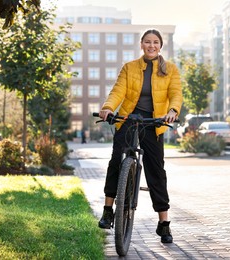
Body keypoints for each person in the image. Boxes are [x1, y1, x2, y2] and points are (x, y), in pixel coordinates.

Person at [98, 28, 183, 244]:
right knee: (117, 160)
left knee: (156, 169)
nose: (151, 45)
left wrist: (172, 111)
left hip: (155, 122)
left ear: (160, 45)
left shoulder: (170, 69)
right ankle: (108, 210)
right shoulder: (130, 67)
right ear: (141, 44)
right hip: (128, 118)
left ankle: (163, 223)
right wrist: (108, 107)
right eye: (147, 42)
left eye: (155, 42)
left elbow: (175, 93)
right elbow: (118, 90)